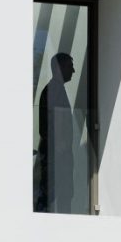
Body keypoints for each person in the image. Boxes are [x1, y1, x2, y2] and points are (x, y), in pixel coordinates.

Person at [36, 53, 75, 213]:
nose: (73, 70)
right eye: (70, 66)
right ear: (59, 68)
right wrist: (60, 149)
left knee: (58, 198)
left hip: (58, 158)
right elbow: (51, 127)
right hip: (56, 160)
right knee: (55, 199)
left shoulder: (55, 90)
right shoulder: (53, 91)